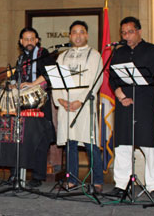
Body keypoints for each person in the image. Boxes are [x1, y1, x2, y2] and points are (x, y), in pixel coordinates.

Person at [108, 16, 154, 200]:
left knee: (149, 146)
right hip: (123, 105)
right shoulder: (119, 53)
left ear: (139, 31)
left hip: (145, 104)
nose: (126, 36)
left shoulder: (152, 50)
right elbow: (112, 78)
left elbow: (150, 73)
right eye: (123, 33)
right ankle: (121, 184)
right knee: (123, 145)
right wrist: (121, 96)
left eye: (130, 32)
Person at [52, 20, 103, 192]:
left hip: (84, 104)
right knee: (70, 143)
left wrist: (79, 101)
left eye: (82, 32)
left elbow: (95, 81)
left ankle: (97, 181)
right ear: (70, 35)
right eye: (75, 32)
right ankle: (72, 179)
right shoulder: (62, 56)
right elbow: (56, 81)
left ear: (87, 35)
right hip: (66, 105)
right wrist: (61, 100)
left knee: (90, 143)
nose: (78, 35)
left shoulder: (94, 55)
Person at [12, 27, 56, 188]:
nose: (29, 42)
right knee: (20, 137)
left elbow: (50, 74)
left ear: (37, 40)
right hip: (23, 103)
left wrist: (31, 84)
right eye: (26, 39)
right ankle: (16, 173)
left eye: (32, 39)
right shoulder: (21, 58)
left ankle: (37, 176)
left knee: (40, 139)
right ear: (21, 41)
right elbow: (17, 77)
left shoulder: (44, 54)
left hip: (41, 102)